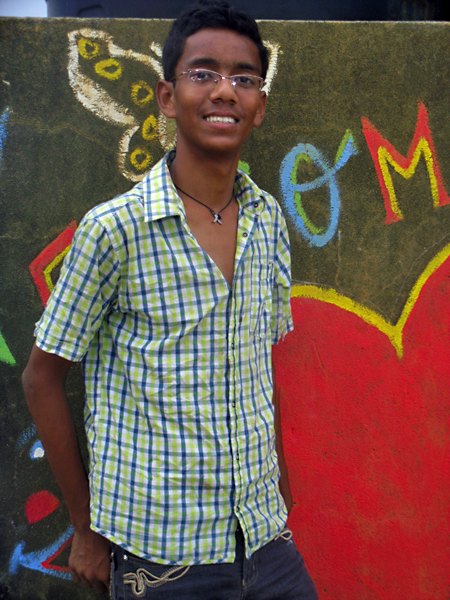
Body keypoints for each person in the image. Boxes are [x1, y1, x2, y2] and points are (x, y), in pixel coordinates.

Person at [22, 1, 318, 598]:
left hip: (264, 539)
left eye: (244, 78)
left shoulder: (267, 220)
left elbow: (256, 365)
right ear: (166, 96)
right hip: (161, 557)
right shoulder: (115, 231)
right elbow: (41, 377)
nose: (225, 91)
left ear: (260, 106)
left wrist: (278, 490)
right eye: (203, 73)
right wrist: (85, 527)